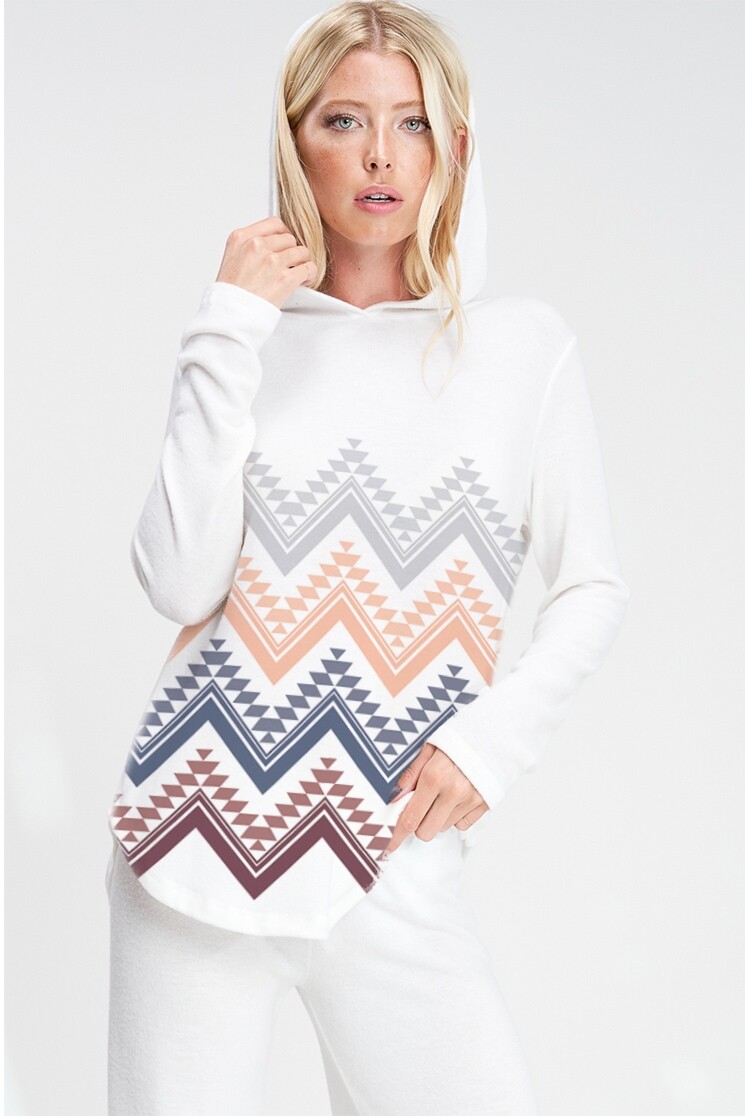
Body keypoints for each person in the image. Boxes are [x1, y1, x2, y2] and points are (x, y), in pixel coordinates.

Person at [105, 2, 630, 1113]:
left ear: (456, 148)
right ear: (295, 139)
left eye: (414, 122)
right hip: (201, 836)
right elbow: (178, 579)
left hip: (392, 849)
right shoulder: (248, 340)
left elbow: (591, 586)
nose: (382, 154)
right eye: (344, 120)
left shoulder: (520, 350)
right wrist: (226, 325)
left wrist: (489, 745)